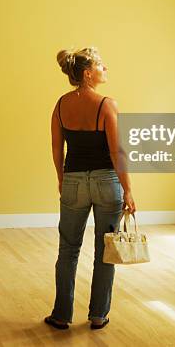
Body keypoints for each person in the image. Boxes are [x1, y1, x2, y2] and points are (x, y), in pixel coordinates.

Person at [44, 47, 136, 331]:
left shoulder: (61, 105)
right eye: (100, 65)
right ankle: (98, 315)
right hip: (106, 182)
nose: (105, 68)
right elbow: (116, 152)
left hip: (73, 181)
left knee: (68, 249)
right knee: (105, 250)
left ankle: (61, 315)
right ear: (87, 73)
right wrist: (128, 190)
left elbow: (56, 148)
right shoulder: (106, 104)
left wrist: (62, 178)